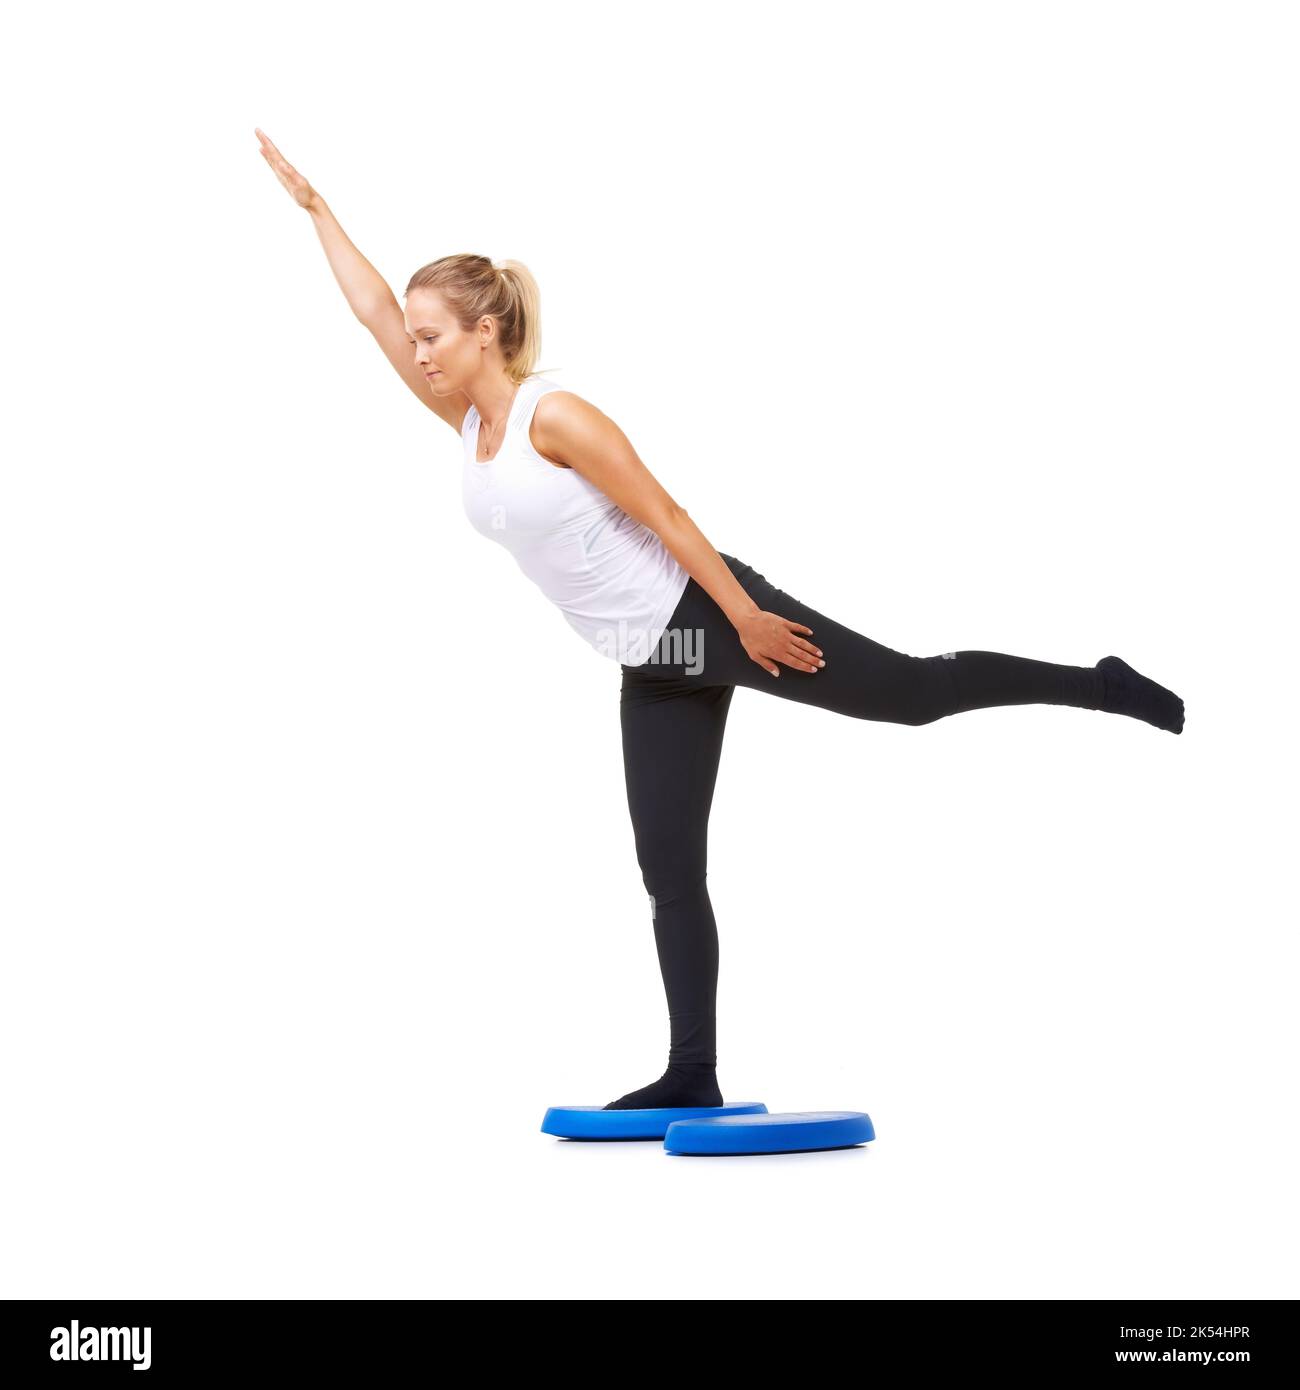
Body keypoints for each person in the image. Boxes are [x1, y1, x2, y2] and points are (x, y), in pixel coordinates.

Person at [256, 129, 1185, 1113]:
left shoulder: (551, 415)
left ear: (484, 332)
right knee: (668, 873)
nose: (417, 350)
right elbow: (368, 318)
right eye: (414, 337)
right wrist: (317, 209)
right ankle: (692, 1072)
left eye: (431, 335)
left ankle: (1101, 682)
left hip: (707, 618)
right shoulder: (469, 424)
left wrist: (744, 618)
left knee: (912, 693)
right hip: (650, 661)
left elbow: (666, 513)